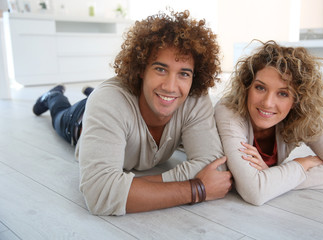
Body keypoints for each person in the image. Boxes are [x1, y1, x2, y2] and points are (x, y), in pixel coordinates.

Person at [32, 10, 232, 215]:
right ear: (141, 70)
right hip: (79, 120)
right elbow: (99, 194)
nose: (171, 86)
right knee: (60, 115)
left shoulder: (195, 98)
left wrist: (125, 186)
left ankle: (88, 93)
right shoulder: (108, 101)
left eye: (183, 73)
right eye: (160, 69)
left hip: (119, 106)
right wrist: (196, 189)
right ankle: (53, 96)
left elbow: (215, 168)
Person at [215, 40, 323, 206]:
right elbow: (255, 191)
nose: (268, 103)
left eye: (283, 94)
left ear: (298, 100)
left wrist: (274, 176)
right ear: (247, 87)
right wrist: (299, 165)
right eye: (260, 88)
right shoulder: (229, 110)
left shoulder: (303, 116)